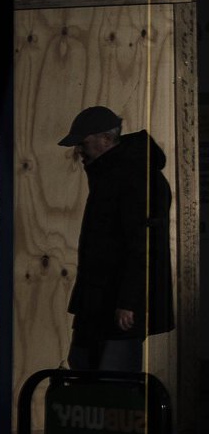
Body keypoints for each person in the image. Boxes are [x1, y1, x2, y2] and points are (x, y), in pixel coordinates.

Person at [57, 105, 174, 372]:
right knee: (89, 370)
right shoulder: (115, 174)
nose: (79, 152)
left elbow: (142, 243)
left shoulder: (133, 176)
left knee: (113, 382)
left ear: (105, 140)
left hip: (115, 306)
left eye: (83, 143)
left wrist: (129, 303)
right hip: (100, 302)